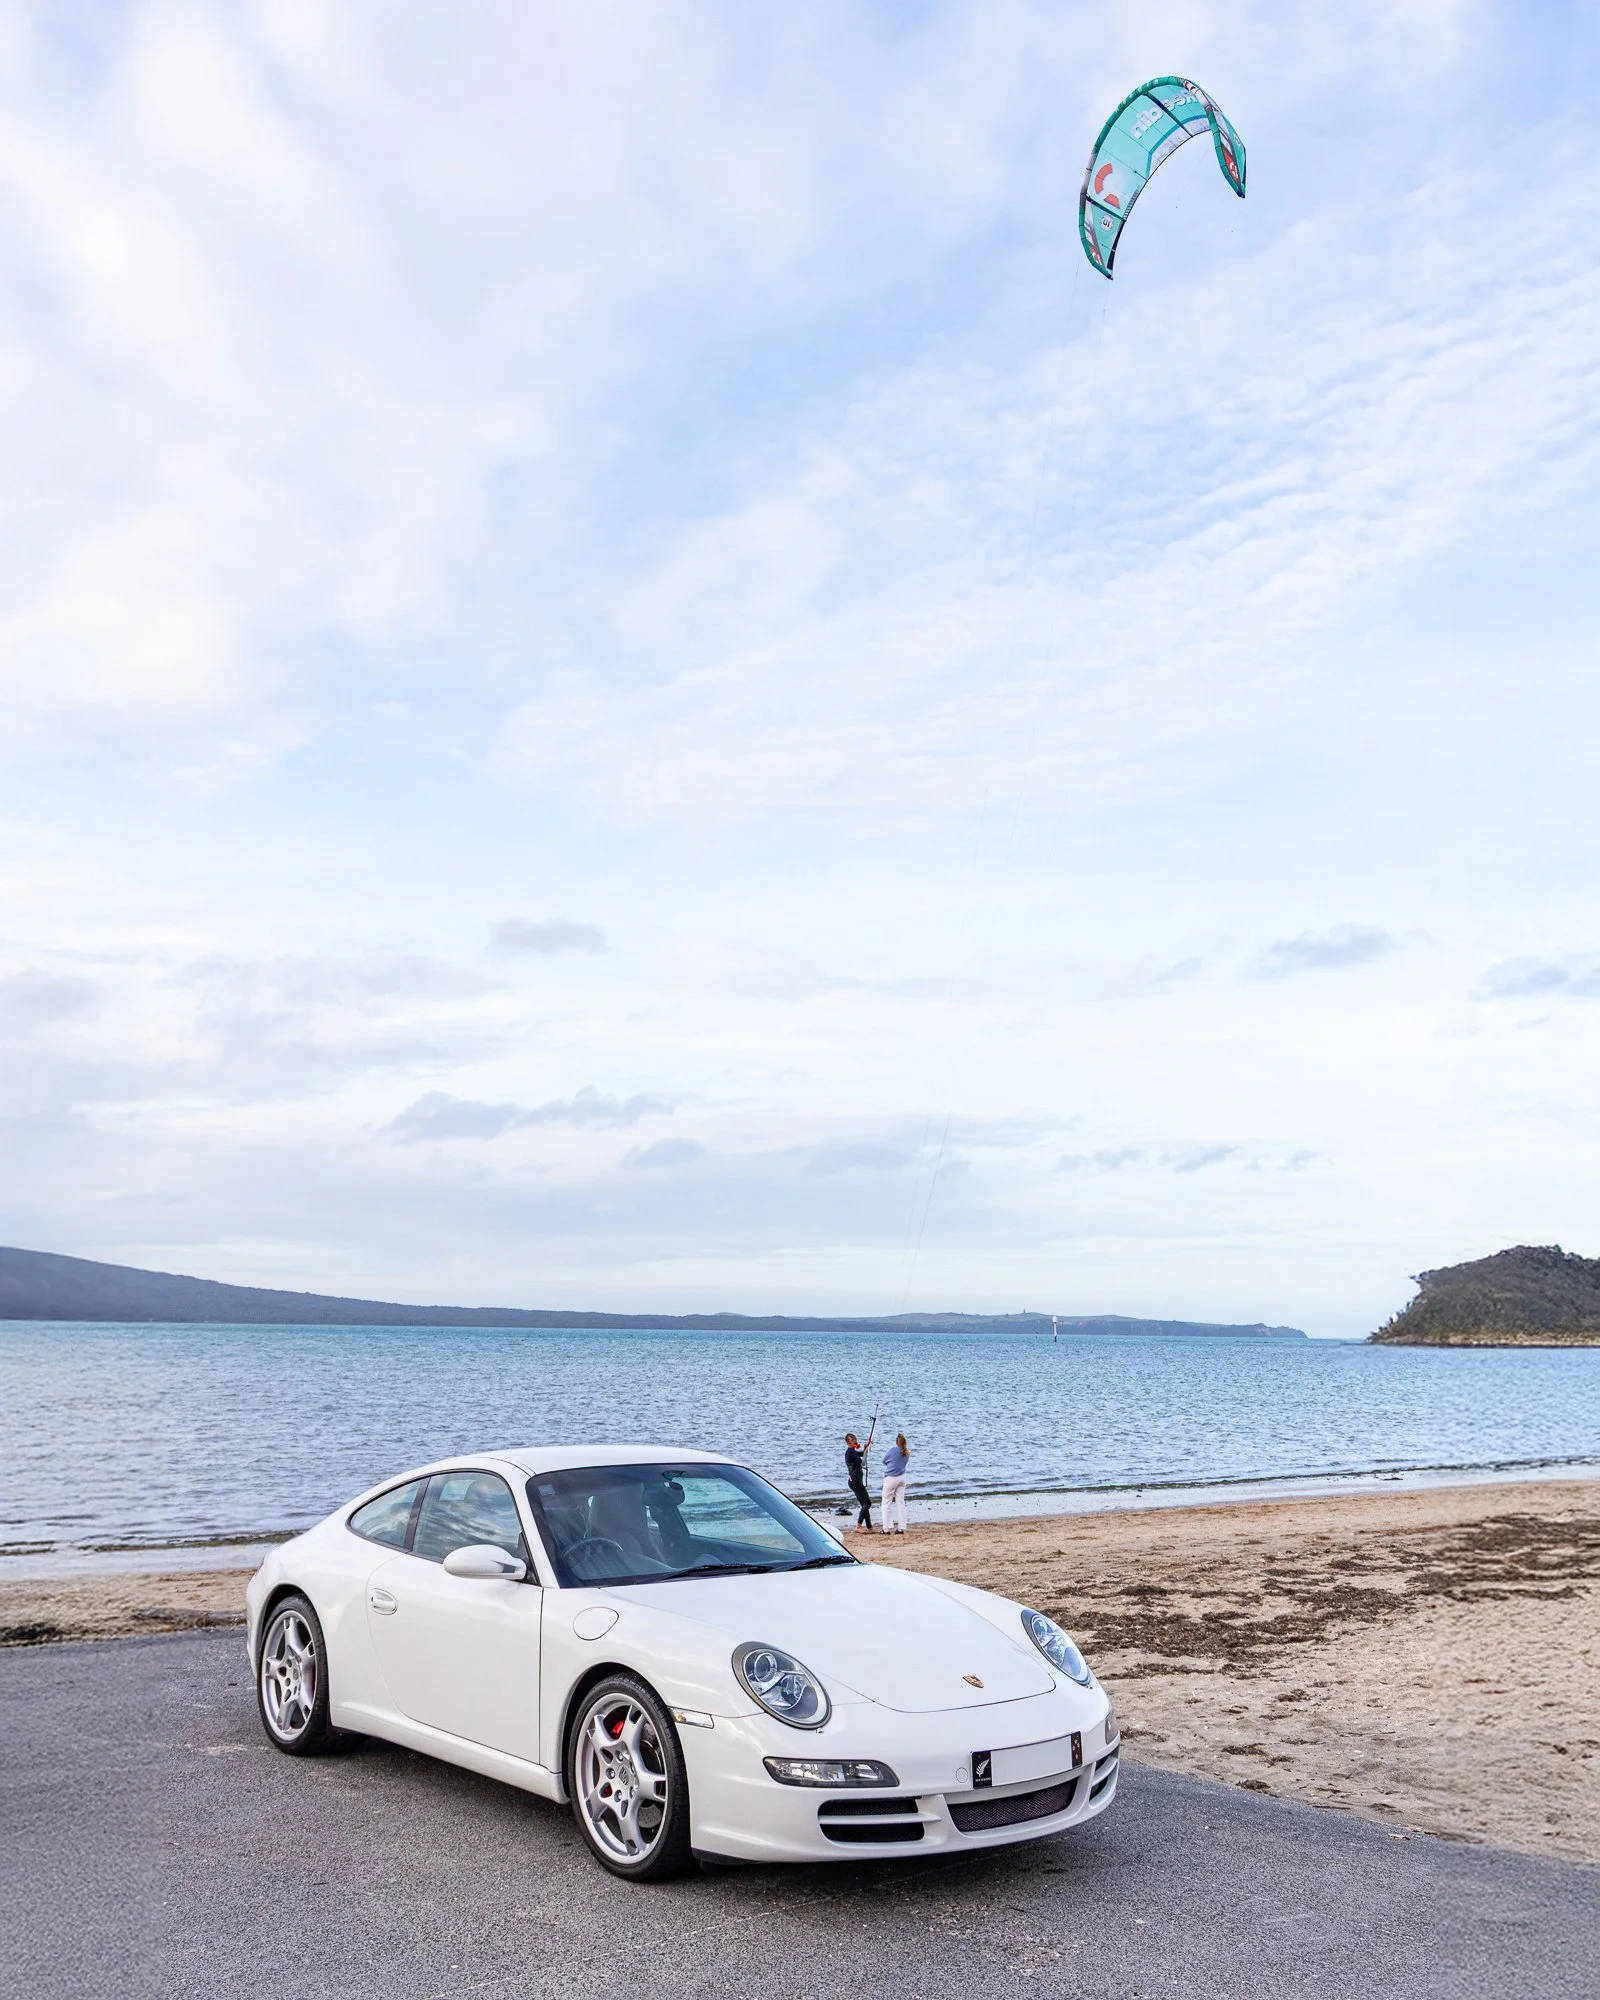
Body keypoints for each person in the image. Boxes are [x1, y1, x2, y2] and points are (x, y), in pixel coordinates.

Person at [843, 1433, 873, 1534]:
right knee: (867, 1503)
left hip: (855, 1481)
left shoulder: (852, 1452)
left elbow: (862, 1454)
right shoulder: (850, 1452)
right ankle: (858, 1526)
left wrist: (866, 1446)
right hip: (855, 1482)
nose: (855, 1440)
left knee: (864, 1504)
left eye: (855, 1438)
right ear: (848, 1442)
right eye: (852, 1440)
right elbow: (863, 1462)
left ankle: (869, 1527)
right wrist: (866, 1451)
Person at [880, 1432, 909, 1534]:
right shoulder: (906, 1452)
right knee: (900, 1503)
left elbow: (883, 1461)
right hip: (902, 1478)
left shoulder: (893, 1450)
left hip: (891, 1478)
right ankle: (901, 1528)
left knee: (886, 1503)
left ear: (897, 1442)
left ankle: (886, 1528)